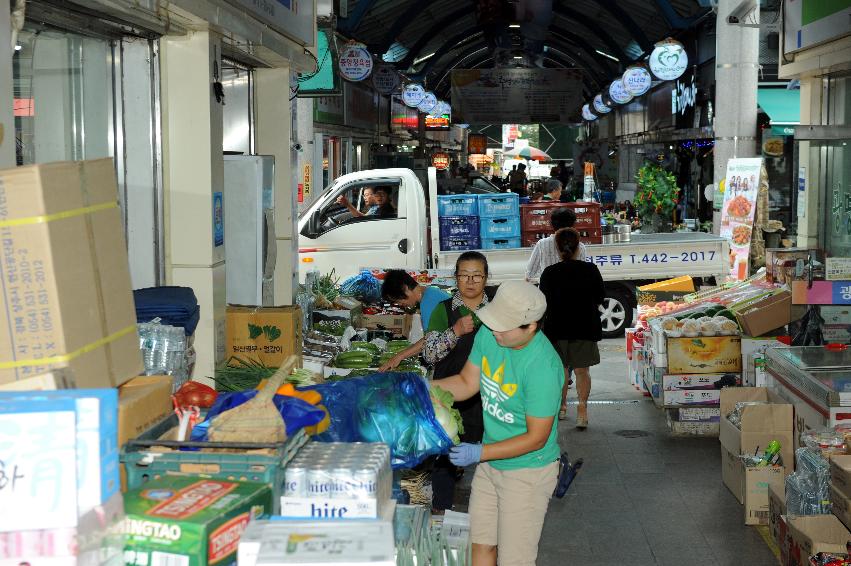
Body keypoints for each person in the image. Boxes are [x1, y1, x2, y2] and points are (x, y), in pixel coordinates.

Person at [436, 280, 563, 566]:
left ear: (531, 326)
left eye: (503, 326)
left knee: (514, 560)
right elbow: (467, 383)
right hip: (491, 465)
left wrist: (479, 452)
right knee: (480, 545)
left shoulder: (543, 366)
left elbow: (536, 438)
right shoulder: (491, 336)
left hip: (527, 473)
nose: (495, 331)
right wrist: (425, 390)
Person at [423, 252, 494, 513]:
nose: (471, 281)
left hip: (489, 395)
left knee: (490, 454)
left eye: (477, 275)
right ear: (456, 277)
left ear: (486, 278)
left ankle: (490, 509)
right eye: (464, 275)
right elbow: (429, 354)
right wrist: (454, 332)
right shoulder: (444, 310)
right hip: (449, 396)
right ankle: (441, 509)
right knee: (445, 455)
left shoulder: (497, 310)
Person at [539, 228, 604, 428]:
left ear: (558, 249)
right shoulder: (590, 270)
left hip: (557, 329)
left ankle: (562, 407)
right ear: (578, 248)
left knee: (561, 371)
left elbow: (543, 302)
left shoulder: (549, 273)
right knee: (582, 370)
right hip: (584, 326)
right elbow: (600, 297)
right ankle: (582, 410)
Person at [378, 270, 450, 371]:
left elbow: (428, 341)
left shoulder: (428, 303)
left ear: (405, 288)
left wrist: (399, 356)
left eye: (398, 301)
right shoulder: (430, 293)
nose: (400, 304)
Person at [525, 208, 587, 281]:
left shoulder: (542, 244)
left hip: (548, 290)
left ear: (552, 224)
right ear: (573, 224)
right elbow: (583, 273)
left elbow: (530, 273)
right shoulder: (580, 246)